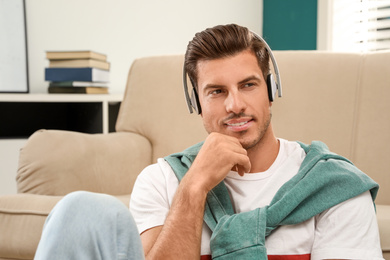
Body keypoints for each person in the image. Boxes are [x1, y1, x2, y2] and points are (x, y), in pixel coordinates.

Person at [34, 24, 384, 260]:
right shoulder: (162, 181)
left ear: (271, 91)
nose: (235, 105)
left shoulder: (333, 186)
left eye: (248, 85)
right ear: (197, 105)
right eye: (216, 91)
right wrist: (194, 188)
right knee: (79, 210)